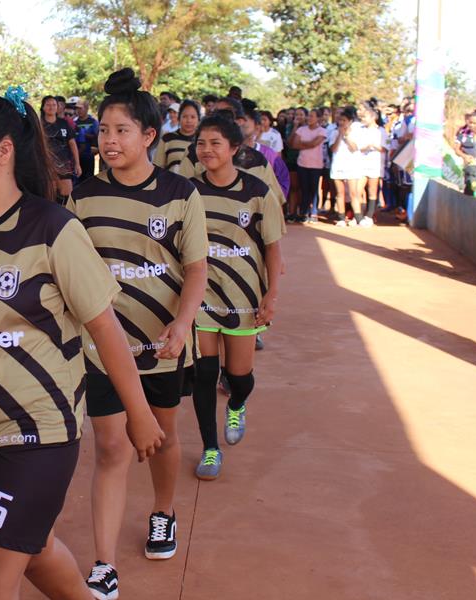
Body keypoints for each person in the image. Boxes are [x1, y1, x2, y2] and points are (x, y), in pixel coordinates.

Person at [0, 87, 164, 600]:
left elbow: (105, 328)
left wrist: (138, 412)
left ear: (3, 152)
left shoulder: (53, 230)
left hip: (39, 433)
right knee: (33, 550)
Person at [66, 68, 208, 600]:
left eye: (121, 130)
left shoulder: (179, 194)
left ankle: (163, 511)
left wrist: (183, 320)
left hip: (164, 346)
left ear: (149, 136)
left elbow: (196, 268)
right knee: (110, 448)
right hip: (103, 348)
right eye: (103, 130)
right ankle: (104, 564)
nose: (109, 140)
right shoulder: (83, 198)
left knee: (162, 437)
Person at [190, 113, 284, 479]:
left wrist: (271, 295)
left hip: (244, 297)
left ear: (234, 148)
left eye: (215, 143)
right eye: (201, 143)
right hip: (201, 297)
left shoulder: (257, 192)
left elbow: (274, 249)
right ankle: (210, 448)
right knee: (203, 374)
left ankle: (238, 404)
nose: (207, 150)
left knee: (238, 375)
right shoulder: (189, 191)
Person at [40, 95, 81, 201]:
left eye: (54, 105)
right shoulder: (39, 125)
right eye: (48, 105)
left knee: (67, 196)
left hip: (64, 164)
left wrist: (77, 164)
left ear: (58, 107)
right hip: (46, 165)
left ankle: (65, 217)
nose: (51, 107)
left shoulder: (63, 123)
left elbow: (72, 143)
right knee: (50, 196)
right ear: (43, 107)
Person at [290, 108, 327, 223]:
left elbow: (315, 143)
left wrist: (303, 144)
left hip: (316, 165)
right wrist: (308, 144)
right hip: (302, 163)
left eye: (312, 116)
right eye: (308, 116)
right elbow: (295, 145)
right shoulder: (301, 129)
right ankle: (304, 212)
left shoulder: (322, 131)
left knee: (314, 189)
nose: (308, 118)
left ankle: (314, 212)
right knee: (304, 189)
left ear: (318, 118)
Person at [328, 106, 363, 226]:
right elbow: (333, 148)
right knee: (340, 193)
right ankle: (341, 218)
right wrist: (339, 135)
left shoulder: (356, 132)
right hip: (337, 165)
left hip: (351, 166)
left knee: (353, 193)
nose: (341, 122)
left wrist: (346, 136)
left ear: (350, 121)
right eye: (340, 120)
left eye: (344, 120)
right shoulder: (334, 133)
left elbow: (354, 148)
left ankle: (358, 217)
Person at [356, 101, 388, 226]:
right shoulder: (361, 130)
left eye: (366, 117)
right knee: (357, 190)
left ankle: (369, 215)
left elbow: (384, 148)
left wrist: (373, 145)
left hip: (375, 164)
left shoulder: (381, 131)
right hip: (362, 163)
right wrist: (365, 147)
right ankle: (358, 214)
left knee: (372, 191)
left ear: (373, 117)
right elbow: (358, 146)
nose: (363, 119)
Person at [153, 99, 200, 173]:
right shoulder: (167, 138)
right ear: (179, 118)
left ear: (199, 119)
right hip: (170, 183)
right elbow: (157, 166)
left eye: (193, 117)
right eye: (184, 116)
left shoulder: (202, 141)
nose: (189, 120)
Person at [73, 98, 99, 182]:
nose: (78, 111)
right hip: (76, 156)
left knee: (88, 180)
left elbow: (97, 137)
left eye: (80, 108)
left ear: (86, 108)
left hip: (88, 155)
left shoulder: (93, 122)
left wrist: (84, 134)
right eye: (77, 108)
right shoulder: (74, 122)